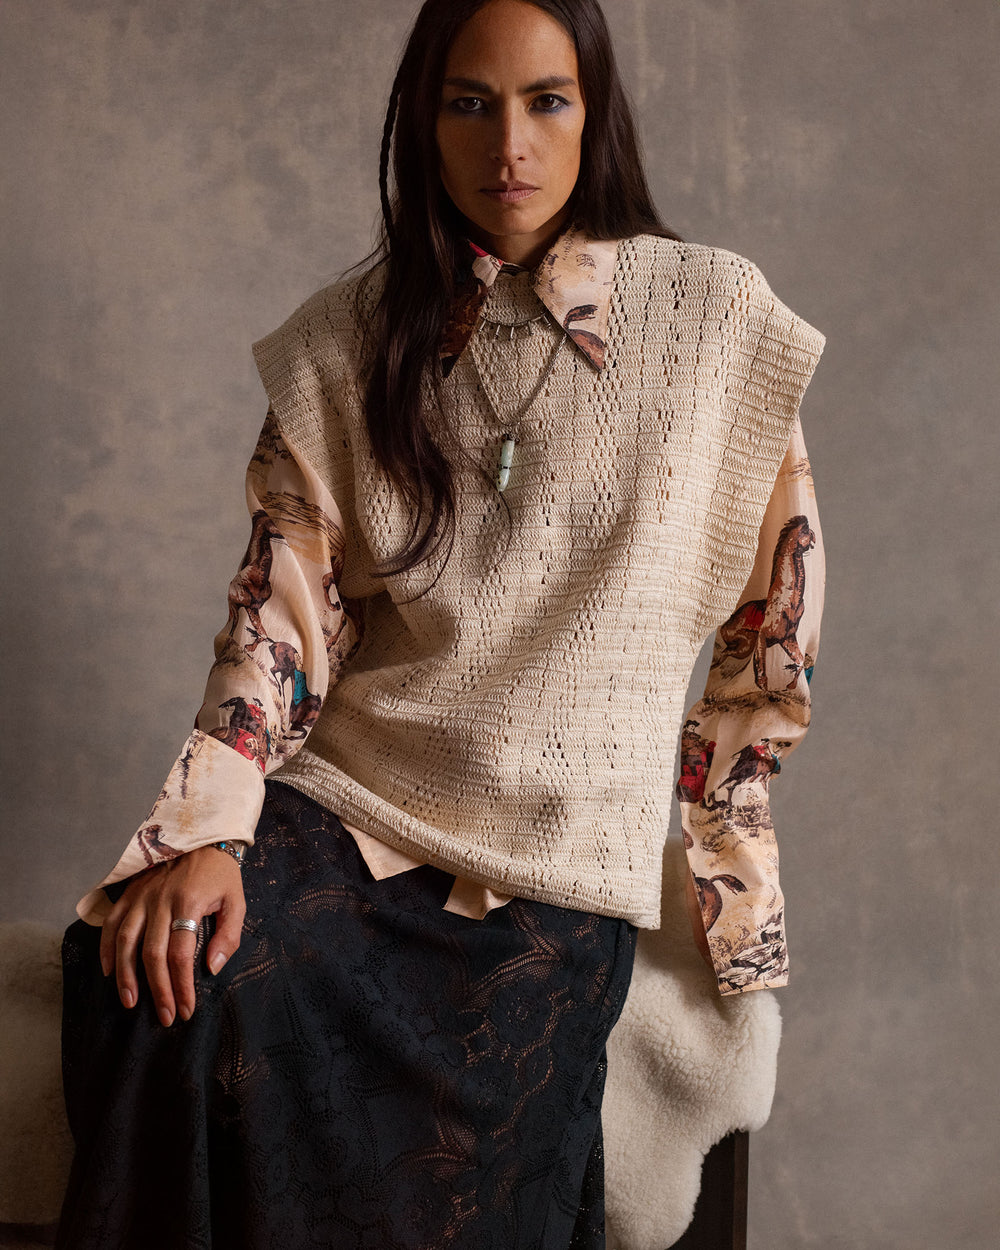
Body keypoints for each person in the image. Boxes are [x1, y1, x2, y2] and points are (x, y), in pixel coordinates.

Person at [56, 1, 825, 1246]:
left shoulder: (715, 323)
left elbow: (768, 632)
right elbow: (279, 616)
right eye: (468, 102)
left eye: (545, 101)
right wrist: (210, 829)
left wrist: (725, 872)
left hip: (557, 854)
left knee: (450, 1133)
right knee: (163, 992)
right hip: (348, 803)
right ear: (422, 121)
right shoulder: (345, 339)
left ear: (594, 113)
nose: (506, 144)